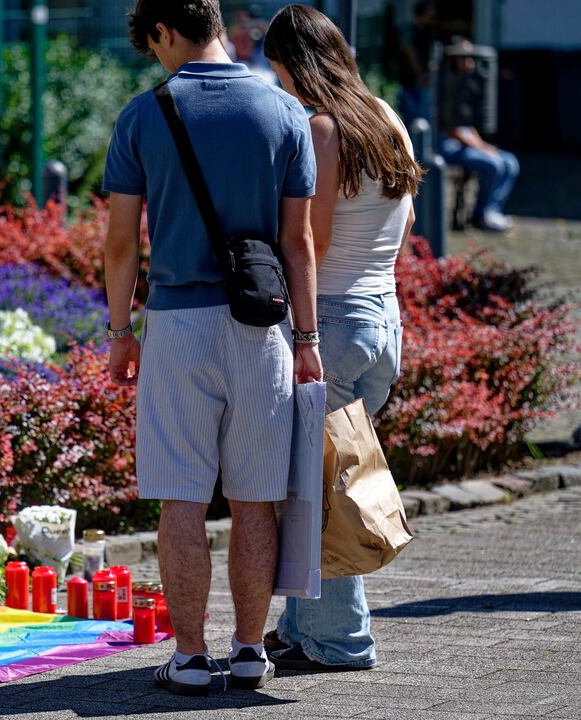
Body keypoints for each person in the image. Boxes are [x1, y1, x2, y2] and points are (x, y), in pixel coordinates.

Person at [103, 0, 321, 696]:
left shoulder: (143, 116)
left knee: (181, 500)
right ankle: (252, 651)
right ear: (219, 25)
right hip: (264, 328)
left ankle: (191, 658)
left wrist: (119, 331)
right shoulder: (285, 112)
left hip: (177, 323)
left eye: (154, 46)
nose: (157, 60)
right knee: (256, 499)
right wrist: (309, 341)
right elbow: (299, 244)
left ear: (165, 32)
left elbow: (119, 243)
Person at [261, 3, 422, 672]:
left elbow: (312, 244)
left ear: (296, 67)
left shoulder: (323, 132)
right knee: (320, 478)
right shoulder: (387, 118)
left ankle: (340, 641)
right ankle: (302, 629)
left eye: (277, 72)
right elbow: (403, 229)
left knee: (324, 491)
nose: (276, 86)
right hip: (382, 318)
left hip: (333, 323)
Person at [440, 39, 519, 233]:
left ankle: (493, 210)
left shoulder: (466, 84)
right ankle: (481, 214)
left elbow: (467, 126)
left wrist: (484, 146)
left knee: (510, 162)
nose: (470, 63)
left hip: (467, 143)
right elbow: (451, 129)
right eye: (465, 58)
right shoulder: (445, 85)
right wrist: (482, 148)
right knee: (494, 165)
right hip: (448, 146)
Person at [397, 0, 438, 126]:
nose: (432, 19)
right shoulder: (410, 32)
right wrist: (420, 73)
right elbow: (410, 53)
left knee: (422, 118)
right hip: (410, 81)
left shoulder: (428, 33)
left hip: (422, 81)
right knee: (412, 119)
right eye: (429, 16)